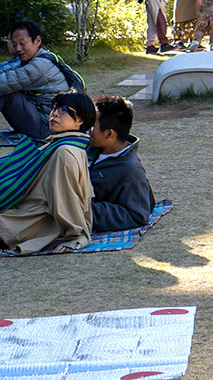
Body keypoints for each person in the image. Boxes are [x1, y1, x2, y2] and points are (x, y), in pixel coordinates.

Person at [0, 89, 95, 254]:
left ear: (79, 119)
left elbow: (66, 198)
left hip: (25, 221)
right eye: (54, 108)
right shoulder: (62, 144)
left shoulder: (66, 151)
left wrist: (75, 236)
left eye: (64, 110)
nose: (55, 114)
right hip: (20, 213)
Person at [88, 95, 156, 233]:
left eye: (92, 126)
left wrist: (84, 209)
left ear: (109, 134)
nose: (88, 130)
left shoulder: (130, 170)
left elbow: (137, 215)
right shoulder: (90, 147)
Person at [1, 19, 77, 140]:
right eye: (14, 44)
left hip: (48, 128)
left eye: (22, 43)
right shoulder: (32, 60)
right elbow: (5, 71)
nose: (18, 49)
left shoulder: (40, 65)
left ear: (37, 41)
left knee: (6, 93)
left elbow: (5, 82)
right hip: (42, 120)